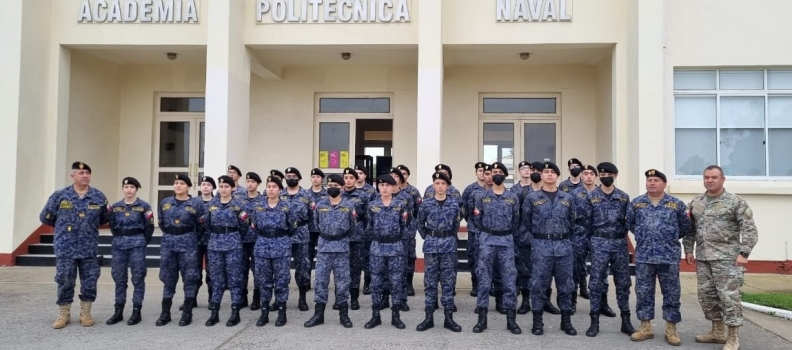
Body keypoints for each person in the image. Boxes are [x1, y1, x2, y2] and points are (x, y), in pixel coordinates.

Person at [684, 165, 759, 350]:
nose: (710, 180)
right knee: (707, 296)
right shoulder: (697, 202)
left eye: (714, 177)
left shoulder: (735, 202)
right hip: (703, 258)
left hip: (728, 259)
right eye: (706, 177)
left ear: (723, 179)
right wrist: (688, 250)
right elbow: (690, 228)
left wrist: (744, 253)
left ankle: (733, 337)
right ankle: (717, 332)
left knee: (729, 297)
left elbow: (749, 229)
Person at [40, 161, 110, 329]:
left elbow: (105, 218)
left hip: (89, 247)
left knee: (90, 281)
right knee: (64, 280)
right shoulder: (59, 196)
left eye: (87, 172)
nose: (84, 175)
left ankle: (85, 313)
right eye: (81, 173)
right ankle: (64, 314)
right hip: (66, 247)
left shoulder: (98, 197)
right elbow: (46, 217)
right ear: (73, 175)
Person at [627, 169, 691, 346]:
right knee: (643, 292)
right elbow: (630, 224)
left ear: (664, 183)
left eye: (656, 180)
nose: (652, 183)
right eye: (649, 180)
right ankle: (645, 327)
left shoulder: (676, 204)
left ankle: (671, 329)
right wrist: (645, 235)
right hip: (645, 256)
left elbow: (685, 226)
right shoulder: (637, 203)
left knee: (671, 293)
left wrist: (667, 237)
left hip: (668, 256)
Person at [576, 163, 634, 337]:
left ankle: (626, 321)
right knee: (596, 282)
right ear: (599, 176)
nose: (605, 176)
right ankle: (594, 322)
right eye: (602, 174)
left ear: (615, 175)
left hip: (618, 244)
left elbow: (629, 221)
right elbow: (585, 222)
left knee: (623, 283)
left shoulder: (623, 197)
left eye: (609, 173)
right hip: (599, 243)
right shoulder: (591, 196)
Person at [522, 161, 577, 336]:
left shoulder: (567, 198)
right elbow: (525, 222)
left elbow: (573, 221)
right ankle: (537, 321)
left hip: (563, 247)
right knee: (538, 284)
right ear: (541, 175)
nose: (549, 175)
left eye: (553, 172)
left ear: (558, 176)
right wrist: (537, 240)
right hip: (541, 246)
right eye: (546, 172)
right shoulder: (532, 198)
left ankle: (566, 321)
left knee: (566, 285)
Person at [471, 162, 521, 335]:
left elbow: (516, 221)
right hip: (487, 240)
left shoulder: (513, 197)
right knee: (484, 279)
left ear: (505, 175)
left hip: (506, 240)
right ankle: (482, 319)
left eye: (500, 172)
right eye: (494, 172)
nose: (497, 174)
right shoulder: (482, 196)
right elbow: (477, 220)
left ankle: (511, 320)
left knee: (509, 279)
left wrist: (507, 233)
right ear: (490, 175)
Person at [304, 174, 355, 328]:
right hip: (324, 248)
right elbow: (316, 223)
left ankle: (344, 315)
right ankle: (318, 314)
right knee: (320, 281)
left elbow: (352, 227)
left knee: (343, 282)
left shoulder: (349, 206)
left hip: (341, 248)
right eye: (330, 185)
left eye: (336, 185)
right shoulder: (319, 205)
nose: (333, 187)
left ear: (342, 187)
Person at [416, 172, 463, 332]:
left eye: (443, 184)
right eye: (437, 183)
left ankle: (448, 318)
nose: (440, 186)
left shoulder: (454, 204)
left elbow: (456, 225)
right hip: (431, 245)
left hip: (448, 245)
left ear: (448, 187)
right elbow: (420, 224)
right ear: (433, 186)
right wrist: (430, 237)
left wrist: (445, 237)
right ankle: (428, 317)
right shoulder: (426, 204)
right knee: (430, 282)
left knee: (448, 282)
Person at [157, 174, 204, 327]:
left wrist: (190, 238)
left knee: (189, 278)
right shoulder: (165, 203)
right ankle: (165, 313)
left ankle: (187, 312)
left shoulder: (196, 204)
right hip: (169, 244)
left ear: (188, 186)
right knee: (168, 279)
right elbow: (162, 223)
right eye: (176, 183)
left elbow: (202, 226)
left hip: (188, 244)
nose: (178, 186)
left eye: (182, 183)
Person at [106, 177, 155, 326]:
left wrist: (140, 241)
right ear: (122, 189)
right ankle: (118, 311)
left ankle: (136, 310)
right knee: (119, 278)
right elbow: (113, 226)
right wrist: (121, 237)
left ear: (137, 189)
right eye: (126, 187)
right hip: (119, 244)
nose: (129, 190)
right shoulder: (115, 207)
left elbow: (149, 227)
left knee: (138, 277)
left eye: (132, 187)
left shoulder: (144, 206)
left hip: (137, 244)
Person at [364, 175, 409, 330]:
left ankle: (395, 316)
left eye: (388, 185)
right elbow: (369, 227)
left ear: (393, 187)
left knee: (396, 282)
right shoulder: (372, 205)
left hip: (395, 247)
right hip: (377, 247)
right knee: (375, 283)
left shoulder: (401, 205)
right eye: (381, 185)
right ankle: (375, 315)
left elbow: (404, 227)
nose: (384, 188)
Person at [250, 175, 296, 327]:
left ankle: (282, 312)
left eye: (274, 187)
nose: (271, 189)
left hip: (281, 246)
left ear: (280, 190)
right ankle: (264, 313)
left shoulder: (287, 207)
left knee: (282, 280)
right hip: (262, 246)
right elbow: (254, 226)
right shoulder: (258, 206)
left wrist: (279, 237)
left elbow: (292, 227)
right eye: (269, 186)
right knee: (264, 281)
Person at [204, 175, 250, 327]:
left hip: (233, 245)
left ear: (232, 188)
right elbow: (208, 225)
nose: (223, 189)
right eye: (221, 186)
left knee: (235, 279)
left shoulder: (238, 206)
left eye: (226, 187)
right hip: (215, 245)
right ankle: (214, 313)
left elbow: (244, 226)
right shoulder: (212, 204)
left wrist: (234, 236)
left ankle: (235, 313)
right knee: (216, 279)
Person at [282, 167, 314, 312]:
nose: (291, 178)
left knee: (302, 268)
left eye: (294, 176)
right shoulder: (279, 194)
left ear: (299, 178)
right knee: (281, 268)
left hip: (301, 234)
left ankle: (302, 298)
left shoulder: (307, 195)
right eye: (288, 176)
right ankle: (280, 299)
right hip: (283, 235)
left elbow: (313, 216)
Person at [341, 167, 370, 310]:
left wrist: (365, 232)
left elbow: (368, 216)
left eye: (351, 178)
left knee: (355, 268)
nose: (348, 180)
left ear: (355, 179)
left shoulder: (363, 196)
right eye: (346, 178)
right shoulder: (337, 194)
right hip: (340, 237)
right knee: (340, 269)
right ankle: (341, 298)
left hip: (357, 236)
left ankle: (354, 298)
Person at [461, 162, 488, 297]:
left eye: (485, 171)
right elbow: (465, 209)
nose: (482, 173)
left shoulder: (493, 188)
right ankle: (476, 284)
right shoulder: (470, 189)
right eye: (480, 171)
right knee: (474, 257)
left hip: (490, 230)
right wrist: (472, 223)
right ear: (476, 173)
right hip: (474, 229)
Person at [396, 165, 422, 298]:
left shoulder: (413, 191)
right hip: (393, 232)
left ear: (408, 175)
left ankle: (409, 284)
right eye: (398, 174)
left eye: (404, 173)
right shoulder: (389, 190)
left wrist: (413, 225)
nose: (401, 176)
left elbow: (419, 210)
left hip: (408, 229)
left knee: (409, 257)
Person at [239, 172, 262, 310]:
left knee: (257, 270)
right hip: (241, 240)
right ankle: (242, 297)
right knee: (241, 269)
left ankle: (256, 298)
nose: (250, 184)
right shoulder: (239, 200)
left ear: (258, 184)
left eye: (253, 181)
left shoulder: (263, 200)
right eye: (248, 181)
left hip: (257, 240)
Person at [307, 168, 328, 288]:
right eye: (313, 177)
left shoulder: (327, 194)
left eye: (318, 177)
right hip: (309, 229)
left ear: (322, 179)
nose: (315, 179)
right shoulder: (305, 194)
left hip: (322, 230)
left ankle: (320, 281)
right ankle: (307, 281)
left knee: (321, 257)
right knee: (307, 256)